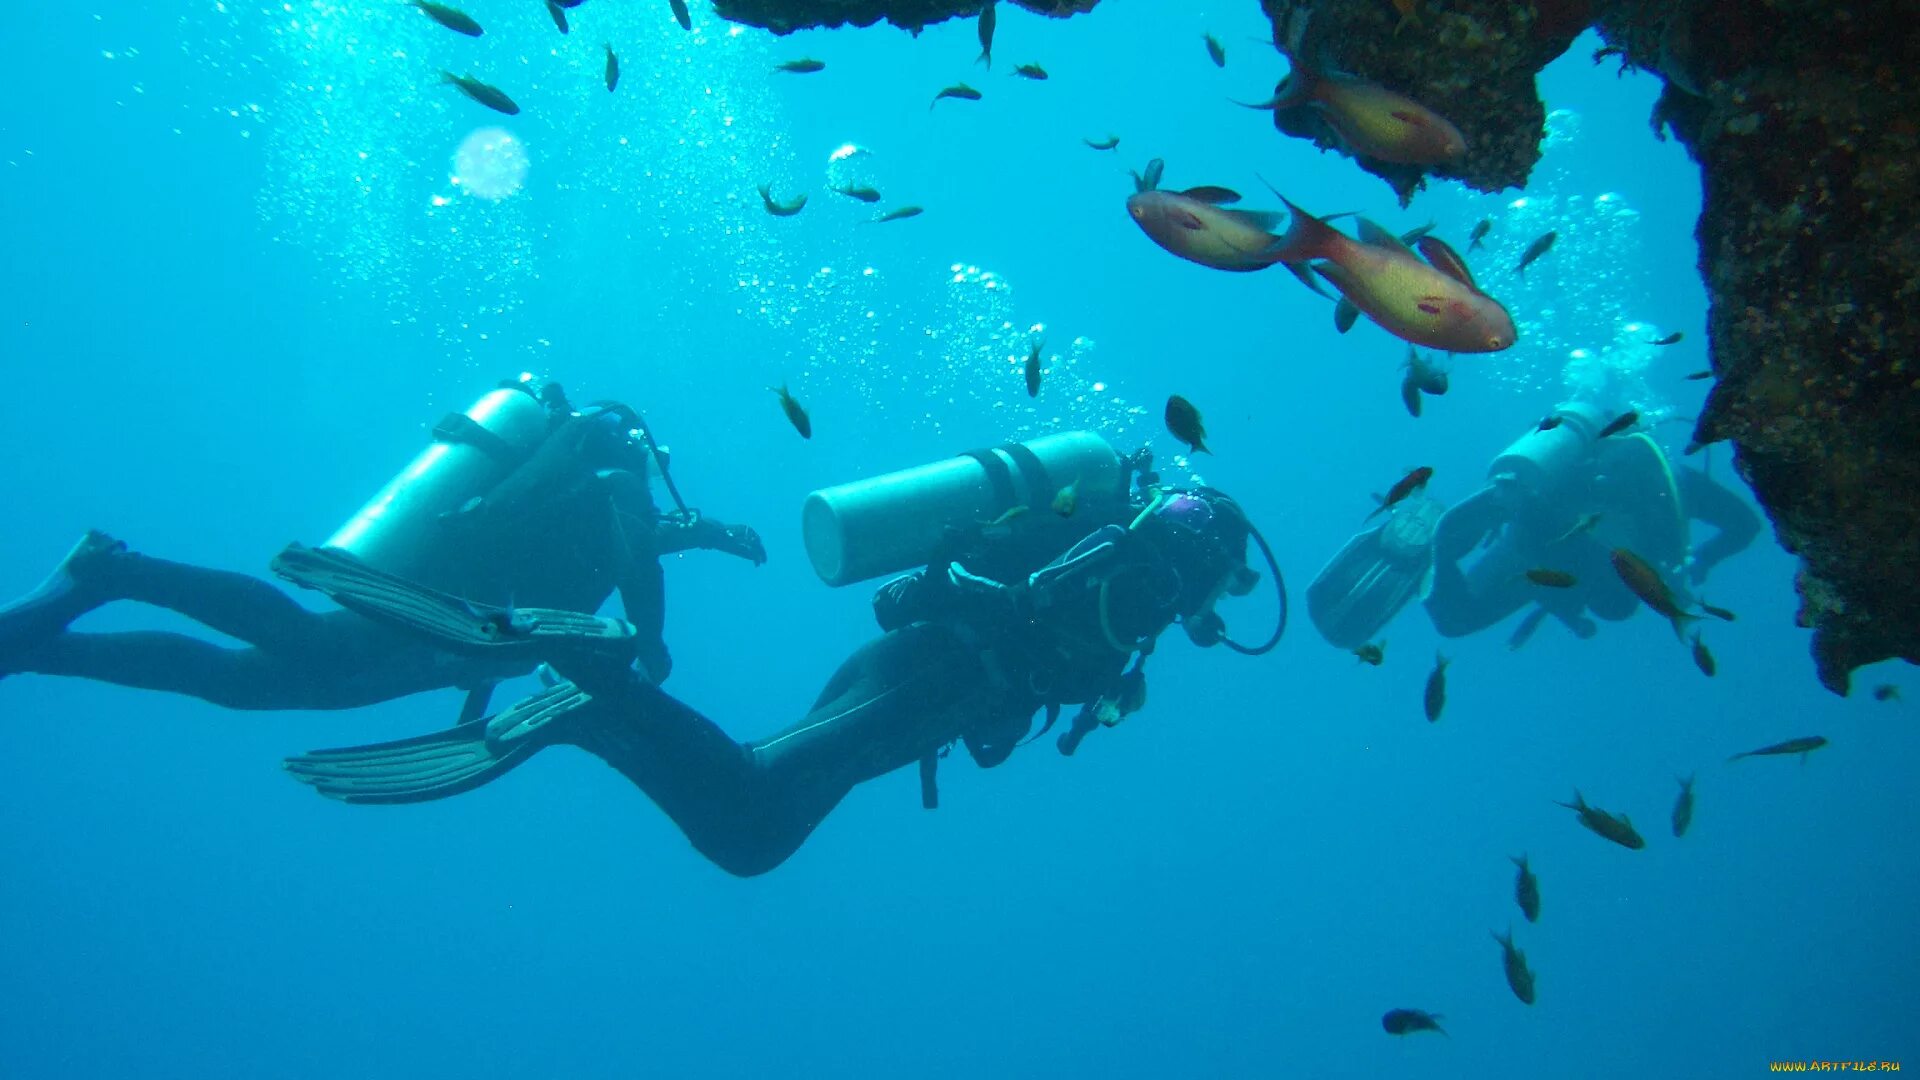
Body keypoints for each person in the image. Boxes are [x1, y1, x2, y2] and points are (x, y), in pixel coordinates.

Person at [272, 436, 1284, 877]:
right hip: (932, 672)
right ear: (1208, 556)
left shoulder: (1131, 576)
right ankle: (588, 685)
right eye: (1222, 581)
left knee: (751, 843)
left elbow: (1019, 671)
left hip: (934, 683)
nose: (1210, 598)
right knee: (751, 795)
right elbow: (1026, 605)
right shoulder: (1139, 572)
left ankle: (584, 711)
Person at [0, 379, 766, 719]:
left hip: (451, 639)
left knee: (253, 683)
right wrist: (654, 643)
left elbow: (628, 553)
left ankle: (40, 649)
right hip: (435, 613)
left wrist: (712, 536)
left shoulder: (591, 503)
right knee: (300, 644)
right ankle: (114, 570)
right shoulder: (613, 482)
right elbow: (632, 548)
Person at [1308, 400, 1760, 651]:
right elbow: (1745, 525)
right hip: (1556, 556)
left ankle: (1434, 548)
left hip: (1538, 540)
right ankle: (1438, 547)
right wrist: (1704, 559)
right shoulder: (1673, 479)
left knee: (1455, 617)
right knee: (1615, 604)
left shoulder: (1599, 468)